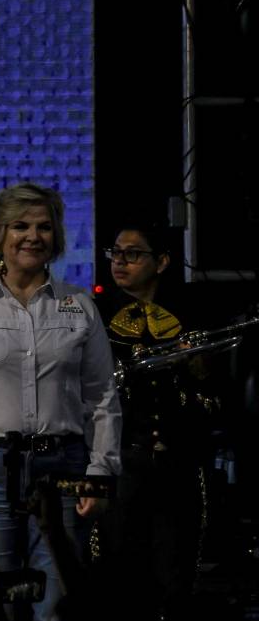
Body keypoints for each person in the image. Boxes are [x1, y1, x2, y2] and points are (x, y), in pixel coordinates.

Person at [0, 183, 122, 621]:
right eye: (21, 226)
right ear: (0, 235)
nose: (33, 236)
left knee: (55, 605)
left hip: (64, 471)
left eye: (44, 227)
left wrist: (101, 473)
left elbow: (102, 397)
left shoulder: (80, 306)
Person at [100, 222, 202, 600]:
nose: (120, 261)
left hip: (178, 464)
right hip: (122, 459)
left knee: (175, 569)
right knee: (122, 572)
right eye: (115, 253)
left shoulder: (185, 318)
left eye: (133, 253)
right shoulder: (98, 317)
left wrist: (196, 373)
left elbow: (211, 400)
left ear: (161, 263)